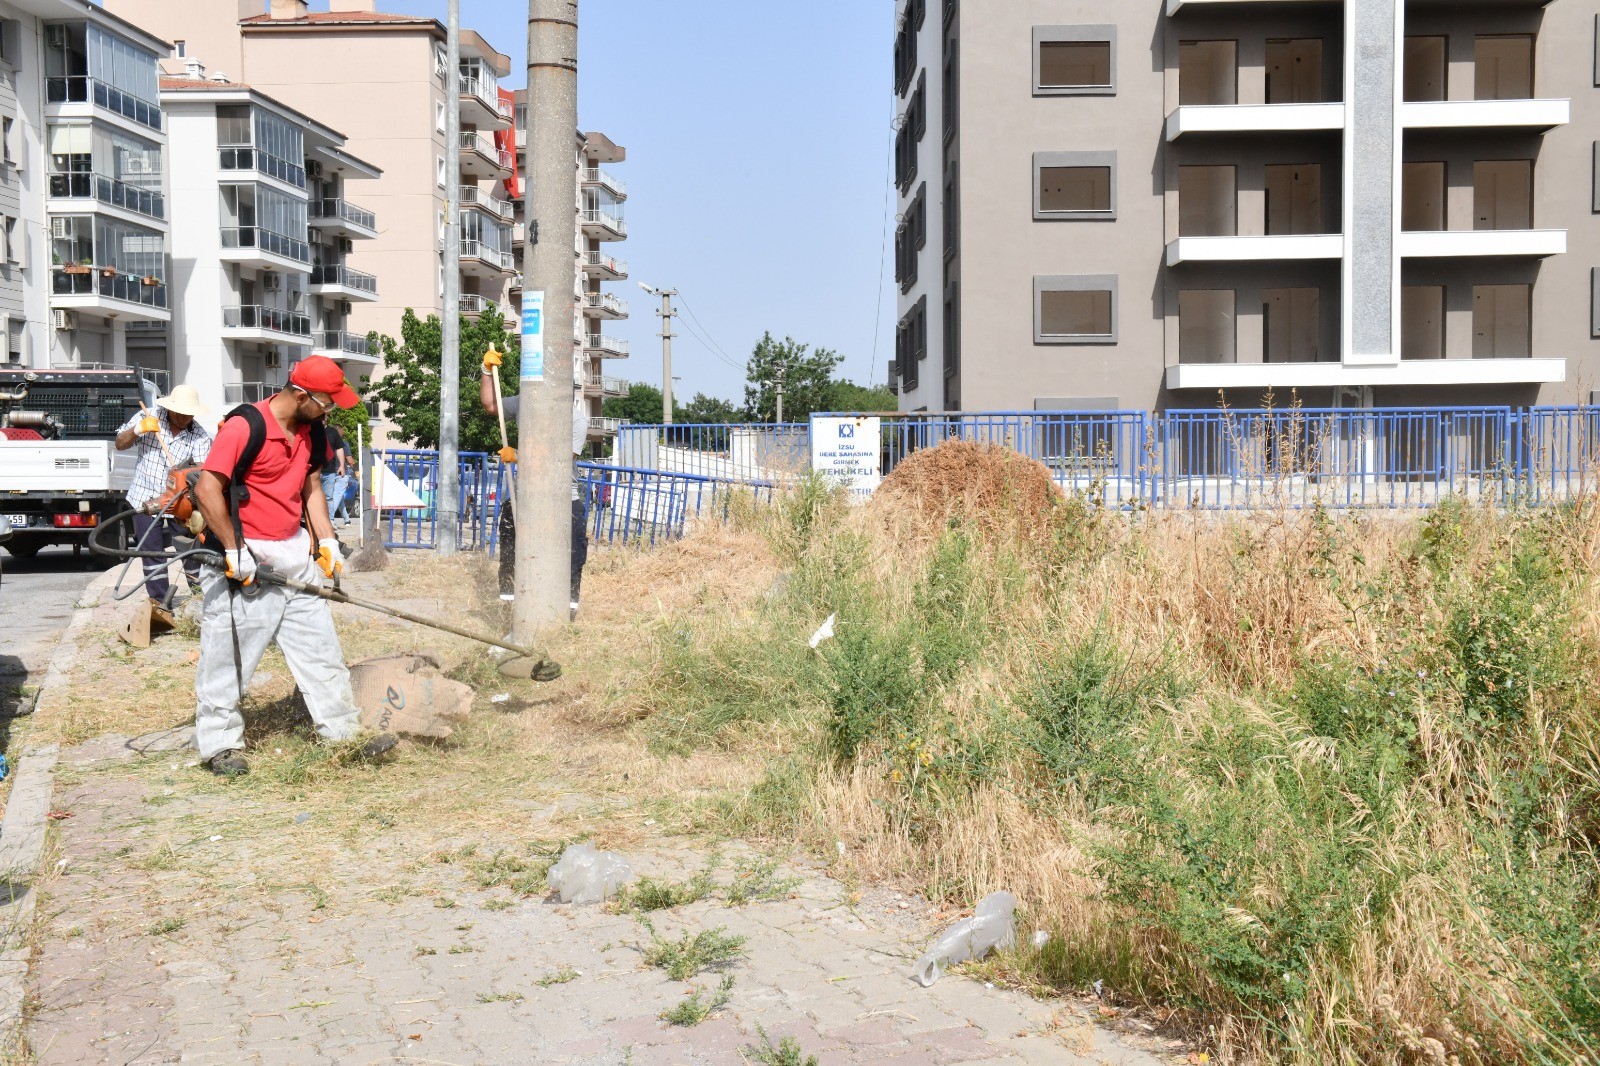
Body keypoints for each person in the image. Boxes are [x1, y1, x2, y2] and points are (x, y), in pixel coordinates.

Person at [191, 356, 396, 777]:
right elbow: (209, 487)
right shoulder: (244, 427)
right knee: (229, 659)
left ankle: (344, 735)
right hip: (248, 561)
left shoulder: (311, 430)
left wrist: (325, 539)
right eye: (327, 403)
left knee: (322, 653)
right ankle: (219, 745)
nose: (330, 411)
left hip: (295, 556)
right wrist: (233, 549)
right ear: (302, 395)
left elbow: (311, 485)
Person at [479, 348, 588, 616]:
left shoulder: (575, 420)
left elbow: (558, 461)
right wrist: (485, 372)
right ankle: (510, 605)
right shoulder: (527, 402)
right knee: (511, 541)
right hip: (527, 494)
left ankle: (567, 611)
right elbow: (491, 406)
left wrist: (519, 456)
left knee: (573, 554)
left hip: (562, 498)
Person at [114, 383, 214, 611]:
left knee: (192, 552)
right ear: (171, 408)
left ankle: (202, 599)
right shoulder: (148, 417)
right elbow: (120, 443)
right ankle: (160, 603)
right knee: (152, 554)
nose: (187, 417)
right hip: (146, 496)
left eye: (191, 413)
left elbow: (202, 471)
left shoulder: (198, 435)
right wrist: (138, 430)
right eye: (183, 413)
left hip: (181, 503)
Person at [320, 420, 350, 525]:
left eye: (323, 417)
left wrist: (342, 466)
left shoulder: (332, 432)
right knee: (316, 496)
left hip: (330, 471)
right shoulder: (311, 429)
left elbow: (339, 450)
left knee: (329, 497)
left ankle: (331, 520)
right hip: (314, 470)